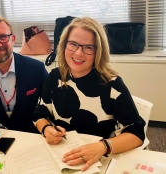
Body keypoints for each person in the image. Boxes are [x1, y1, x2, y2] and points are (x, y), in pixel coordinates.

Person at [32, 17, 145, 171]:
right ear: (64, 45)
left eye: (88, 47)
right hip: (63, 158)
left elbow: (136, 134)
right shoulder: (54, 76)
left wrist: (103, 146)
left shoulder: (112, 83)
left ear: (98, 51)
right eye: (73, 44)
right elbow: (40, 114)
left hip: (101, 161)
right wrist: (46, 129)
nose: (78, 53)